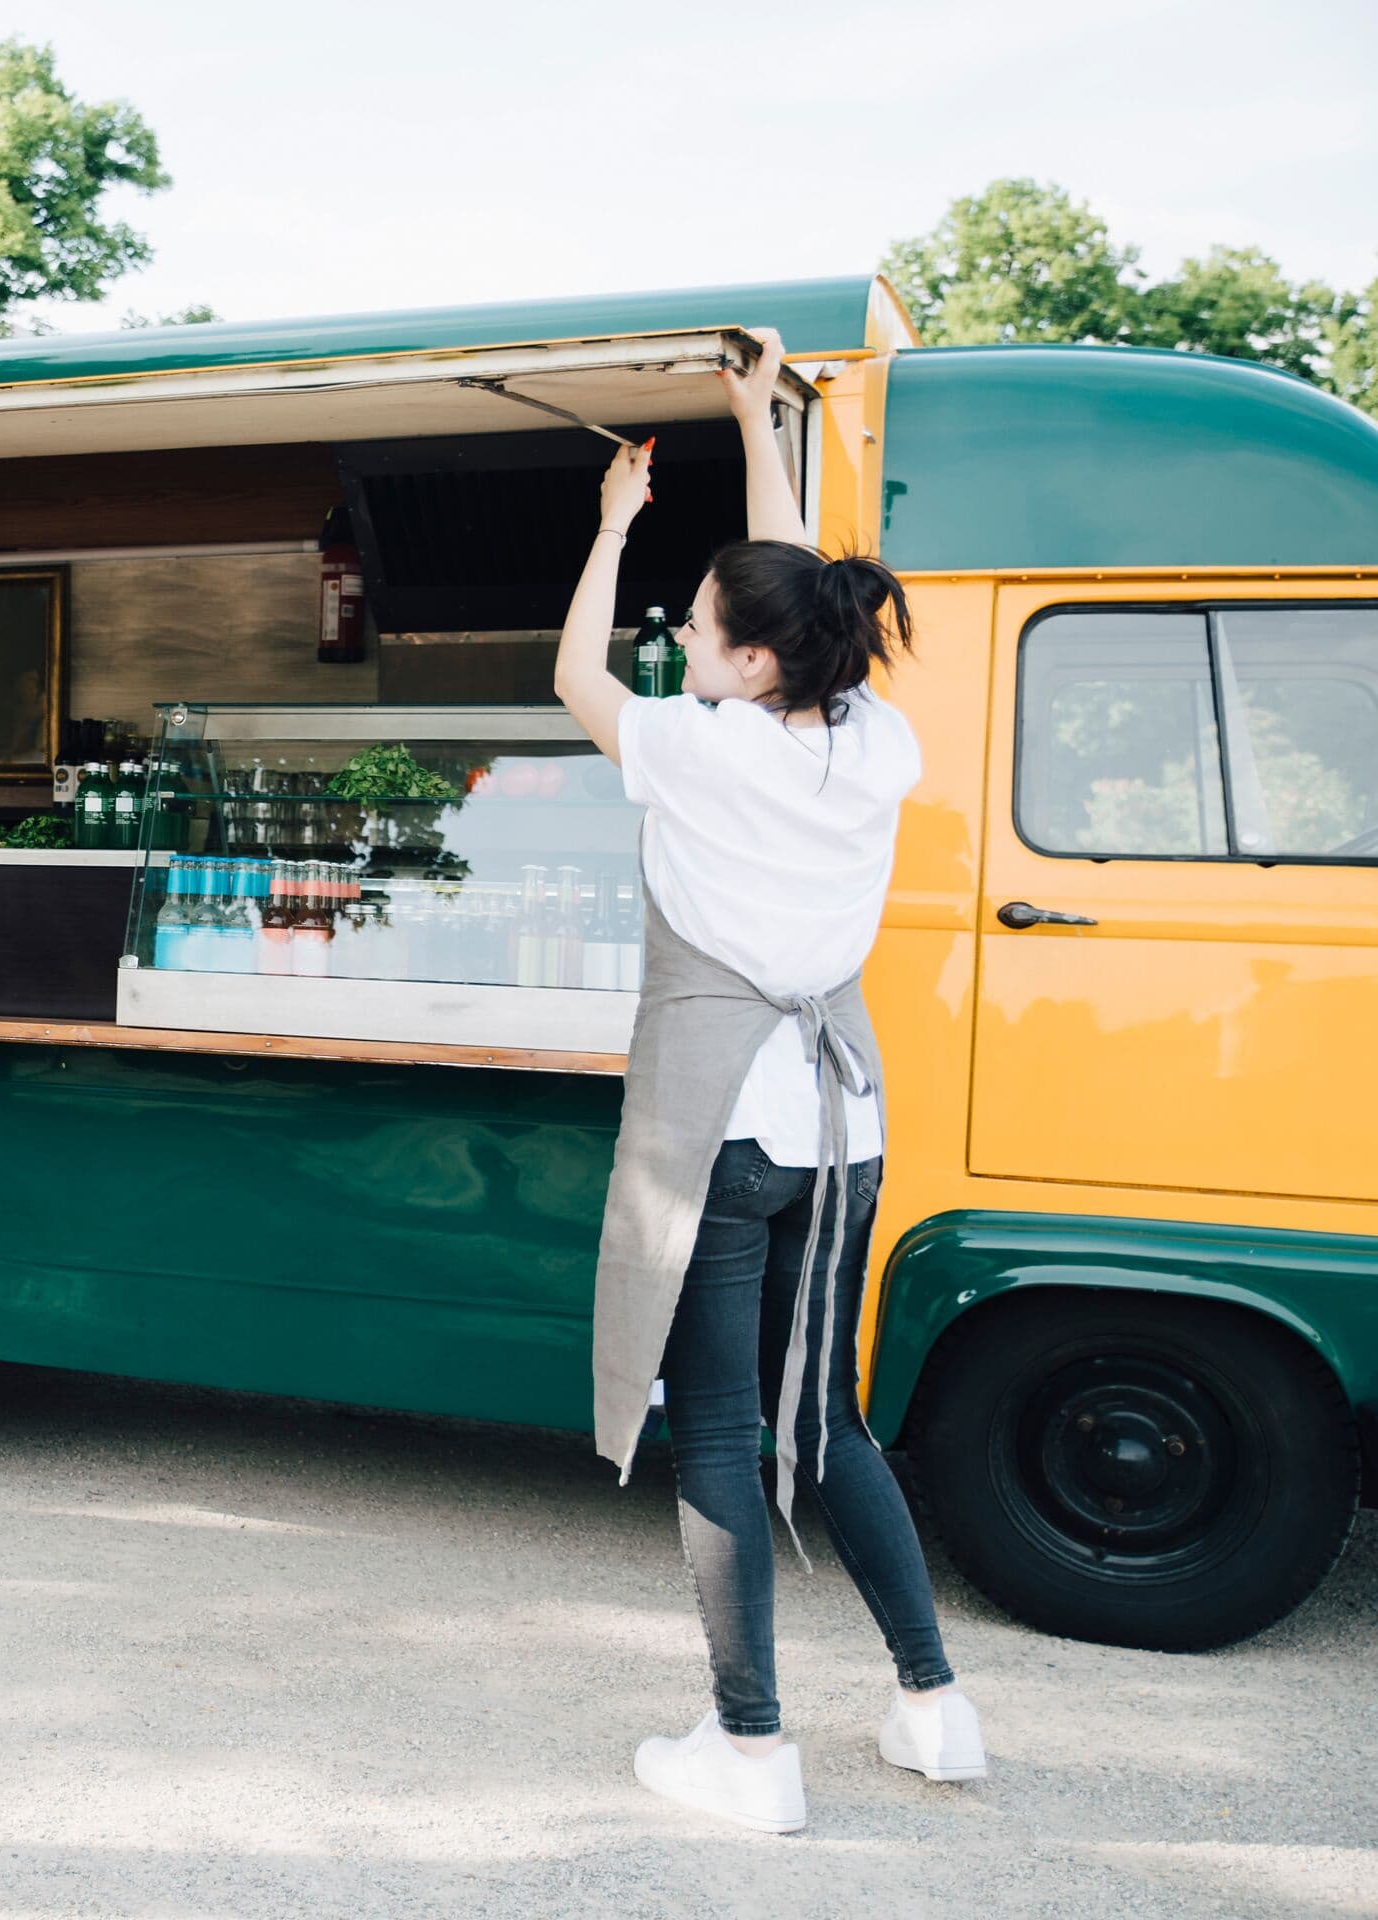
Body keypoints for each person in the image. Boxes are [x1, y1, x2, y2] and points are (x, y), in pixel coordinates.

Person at [550, 330, 985, 1831]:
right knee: (834, 1423)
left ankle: (749, 1754)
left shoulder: (697, 747)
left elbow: (570, 673)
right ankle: (935, 1707)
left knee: (722, 1431)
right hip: (842, 1125)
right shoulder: (875, 742)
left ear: (747, 661)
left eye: (703, 620)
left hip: (725, 1126)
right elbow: (794, 583)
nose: (682, 631)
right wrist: (756, 413)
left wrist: (613, 526)